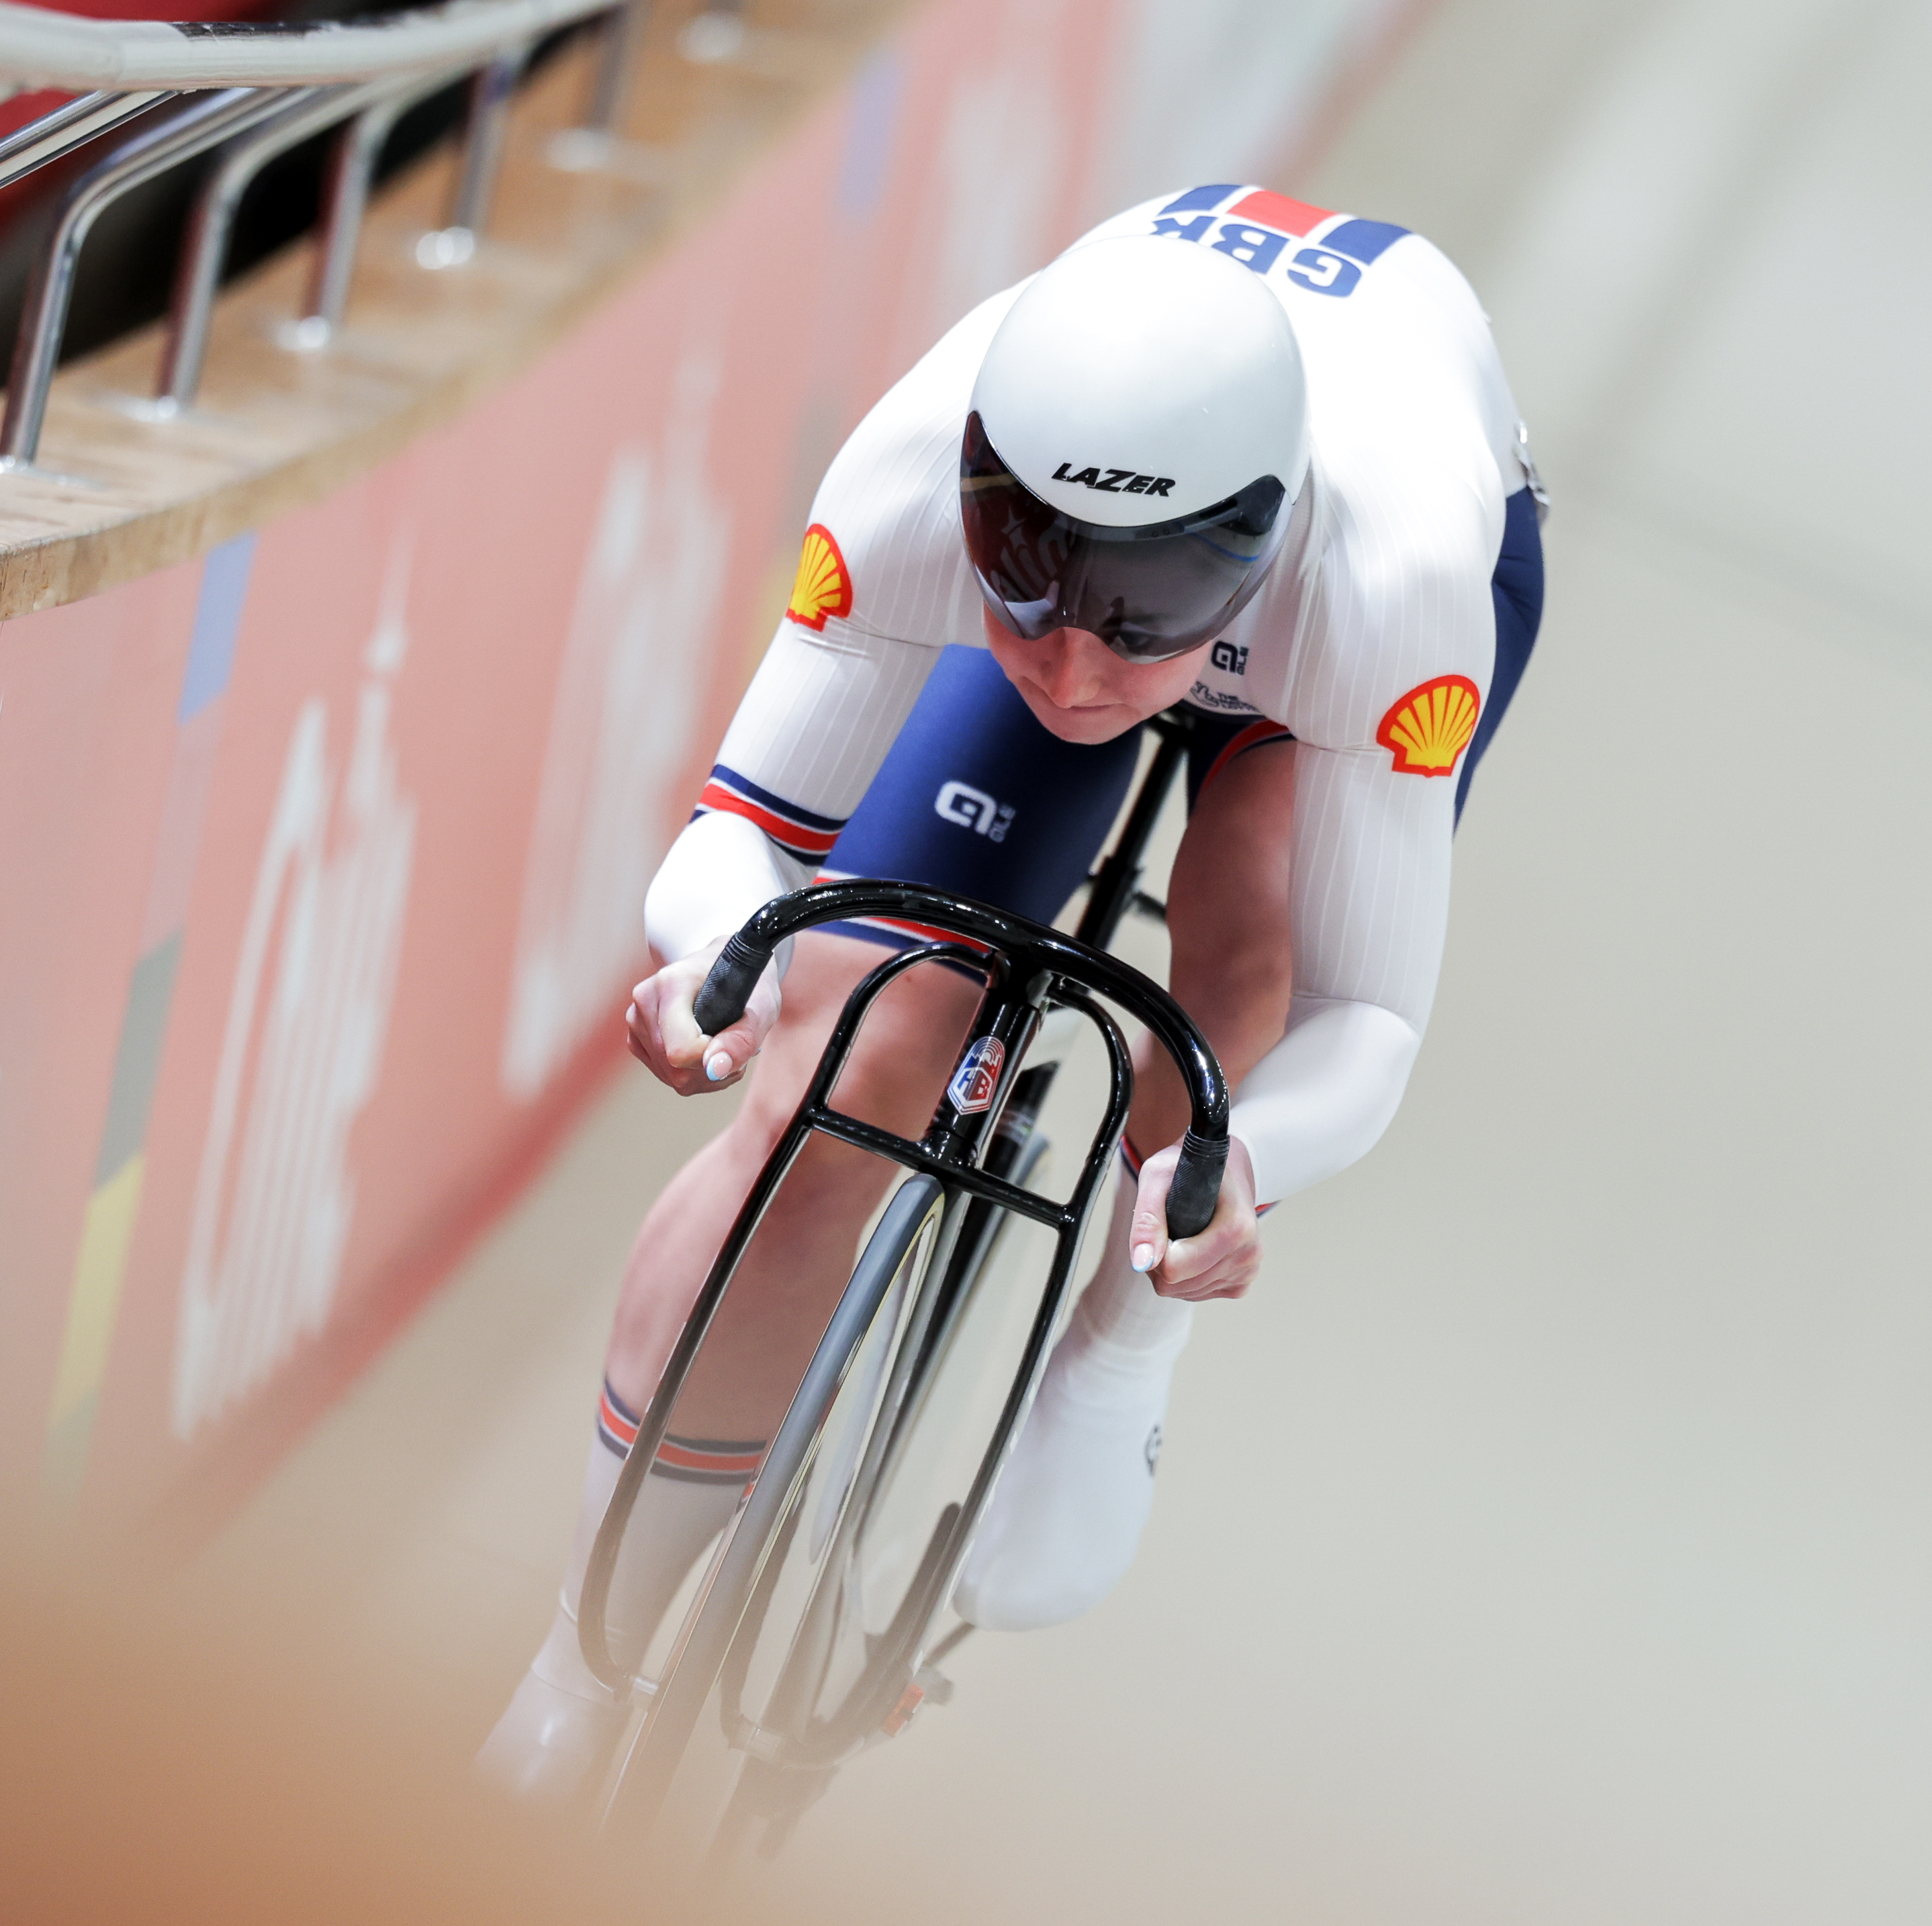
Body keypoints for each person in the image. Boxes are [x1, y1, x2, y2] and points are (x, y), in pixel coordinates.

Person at [473, 184, 1545, 1803]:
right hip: (1161, 555)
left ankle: (1117, 1348)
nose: (1072, 676)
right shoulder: (915, 472)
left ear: (1255, 539)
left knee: (1240, 951)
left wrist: (1228, 1172)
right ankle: (580, 1657)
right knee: (847, 1059)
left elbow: (1366, 1017)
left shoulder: (1386, 588)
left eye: (1142, 622)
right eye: (1024, 590)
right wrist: (725, 974)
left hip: (1317, 676)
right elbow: (742, 841)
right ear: (981, 496)